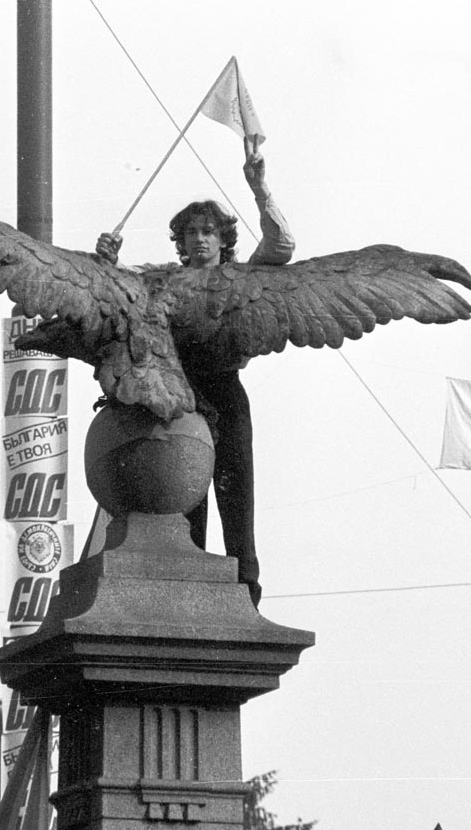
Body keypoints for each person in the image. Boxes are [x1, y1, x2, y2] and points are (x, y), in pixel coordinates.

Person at [94, 141, 294, 606]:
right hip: (177, 393)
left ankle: (245, 593)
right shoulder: (162, 278)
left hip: (223, 390)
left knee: (235, 491)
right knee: (182, 496)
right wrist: (107, 260)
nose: (200, 240)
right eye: (191, 233)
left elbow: (282, 246)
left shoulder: (243, 276)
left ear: (224, 239)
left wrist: (259, 186)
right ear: (180, 243)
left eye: (208, 231)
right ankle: (188, 590)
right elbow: (119, 287)